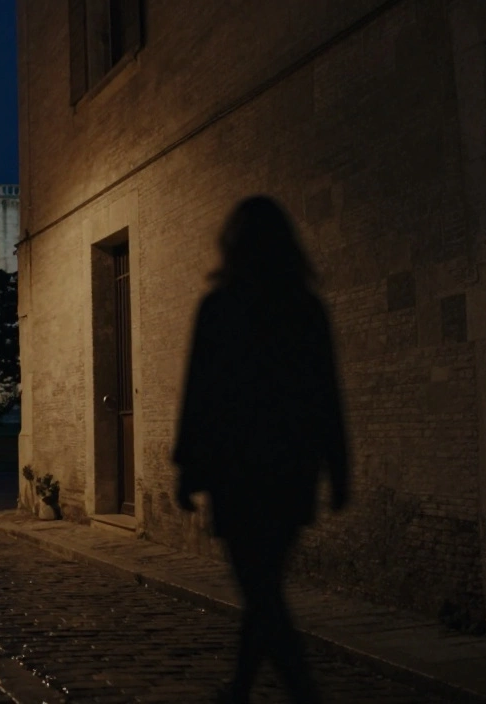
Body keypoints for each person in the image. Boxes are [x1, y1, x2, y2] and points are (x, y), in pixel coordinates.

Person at [172, 195, 349, 704]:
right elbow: (326, 398)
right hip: (292, 472)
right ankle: (241, 689)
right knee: (264, 586)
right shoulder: (304, 307)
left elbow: (201, 395)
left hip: (237, 475)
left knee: (261, 590)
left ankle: (300, 691)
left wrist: (189, 469)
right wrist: (337, 470)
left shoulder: (221, 306)